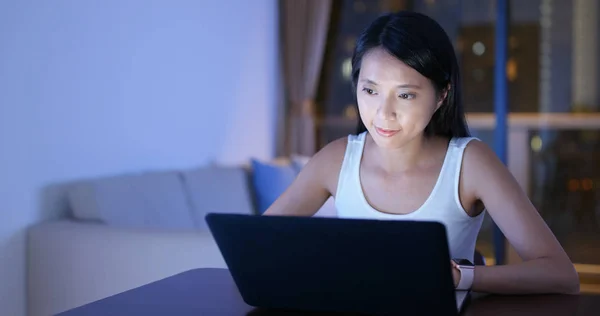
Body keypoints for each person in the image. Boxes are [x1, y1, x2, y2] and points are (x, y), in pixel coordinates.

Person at [264, 11, 579, 295]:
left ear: (442, 95)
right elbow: (258, 243)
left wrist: (461, 278)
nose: (383, 113)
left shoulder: (470, 164)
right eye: (370, 90)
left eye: (405, 95)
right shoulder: (336, 159)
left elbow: (560, 274)